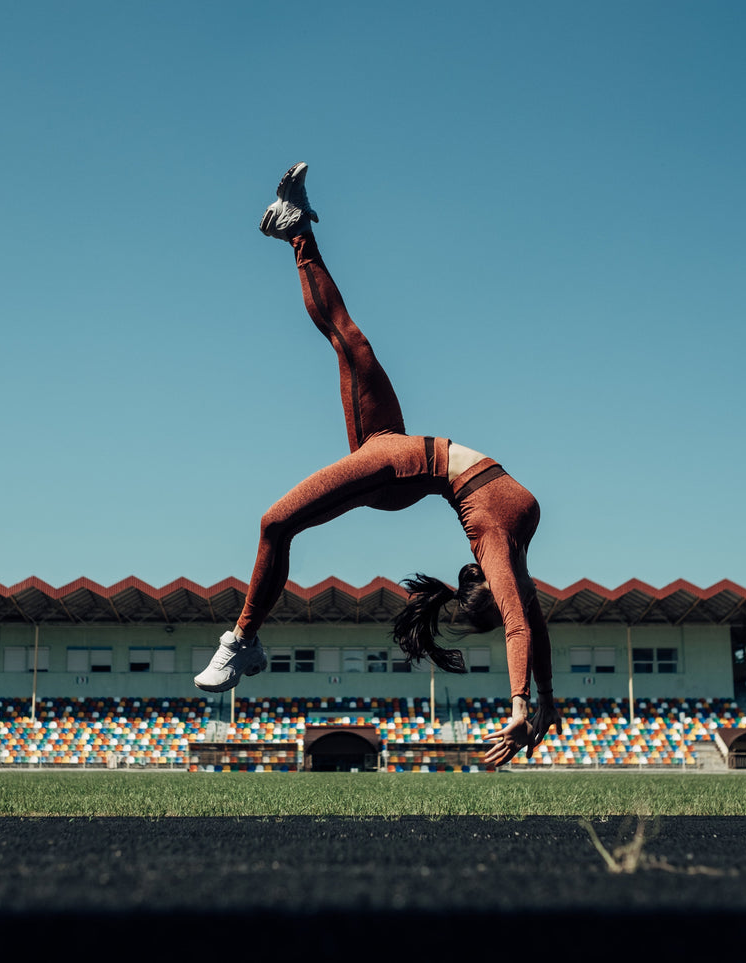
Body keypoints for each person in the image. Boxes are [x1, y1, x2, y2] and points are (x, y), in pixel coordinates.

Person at [193, 163, 559, 765]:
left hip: (400, 469)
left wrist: (520, 707)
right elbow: (531, 626)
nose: (514, 596)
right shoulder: (513, 552)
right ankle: (296, 230)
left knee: (274, 524)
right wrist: (546, 699)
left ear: (488, 589)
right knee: (349, 340)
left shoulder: (496, 541)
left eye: (503, 595)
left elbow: (520, 629)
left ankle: (243, 640)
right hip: (401, 446)